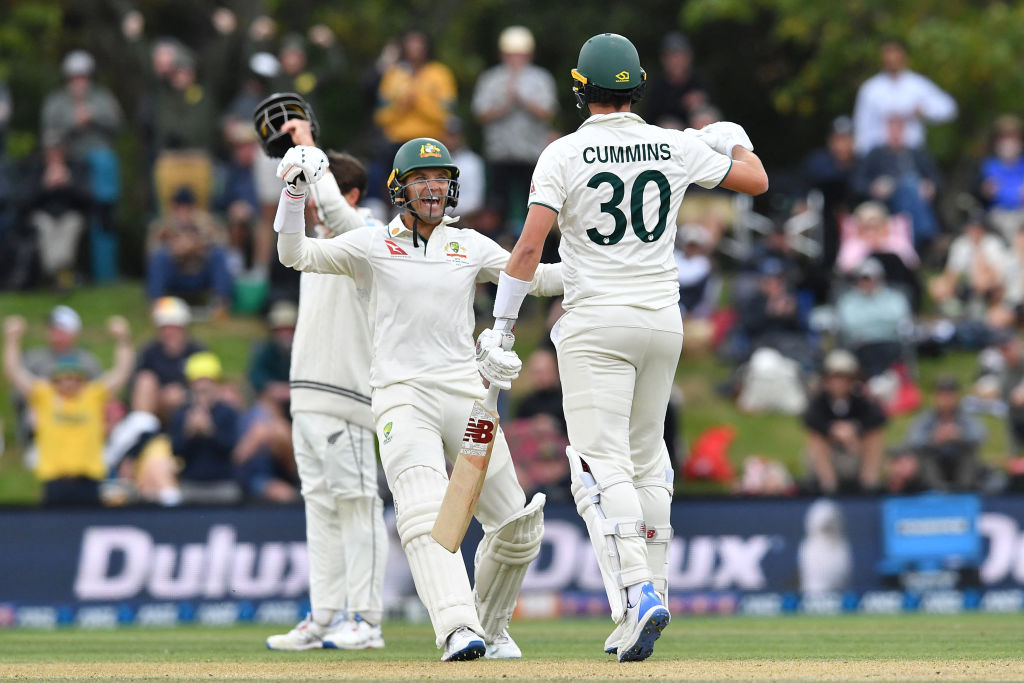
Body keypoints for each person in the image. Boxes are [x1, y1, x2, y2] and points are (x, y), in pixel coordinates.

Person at [477, 33, 768, 662]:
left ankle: (636, 592)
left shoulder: (561, 152)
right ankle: (652, 590)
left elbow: (528, 250)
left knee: (596, 460)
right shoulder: (674, 144)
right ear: (636, 85)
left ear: (581, 89)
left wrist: (500, 326)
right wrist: (732, 134)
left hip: (596, 320)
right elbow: (756, 179)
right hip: (664, 321)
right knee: (647, 460)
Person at [275, 136, 562, 660]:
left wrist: (618, 269)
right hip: (402, 397)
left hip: (467, 397)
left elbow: (538, 278)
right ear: (400, 188)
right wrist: (294, 193)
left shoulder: (469, 244)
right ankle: (456, 628)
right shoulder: (369, 244)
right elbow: (294, 254)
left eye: (440, 179)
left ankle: (491, 630)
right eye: (421, 179)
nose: (433, 188)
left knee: (517, 527)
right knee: (424, 510)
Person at [262, 116, 389, 651]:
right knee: (321, 509)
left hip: (349, 401)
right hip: (307, 398)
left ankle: (366, 619)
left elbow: (336, 211)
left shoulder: (372, 236)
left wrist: (309, 146)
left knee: (358, 505)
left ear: (350, 191)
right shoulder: (315, 243)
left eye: (318, 188)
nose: (313, 201)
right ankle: (324, 616)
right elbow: (291, 229)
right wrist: (294, 170)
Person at [3, 313, 134, 506]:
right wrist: (12, 339)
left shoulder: (92, 395)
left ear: (81, 379)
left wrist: (123, 339)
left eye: (73, 378)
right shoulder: (45, 395)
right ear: (55, 380)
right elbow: (14, 371)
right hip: (55, 480)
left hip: (89, 479)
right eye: (63, 378)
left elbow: (121, 372)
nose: (68, 383)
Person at [471, 26, 557, 238]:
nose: (516, 59)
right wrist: (506, 103)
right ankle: (499, 247)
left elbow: (548, 112)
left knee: (536, 204)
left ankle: (537, 248)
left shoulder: (541, 78)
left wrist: (522, 98)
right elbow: (480, 114)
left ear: (529, 54)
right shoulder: (490, 79)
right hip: (500, 153)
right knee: (498, 207)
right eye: (511, 54)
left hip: (531, 154)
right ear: (503, 54)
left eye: (520, 54)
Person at [802, 349, 887, 494]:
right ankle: (828, 486)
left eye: (844, 378)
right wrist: (833, 430)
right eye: (835, 378)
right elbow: (809, 419)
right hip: (829, 458)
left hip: (854, 454)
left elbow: (878, 418)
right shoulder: (819, 401)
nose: (839, 383)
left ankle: (869, 484)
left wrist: (854, 429)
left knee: (875, 436)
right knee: (815, 438)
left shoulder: (861, 400)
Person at [852, 39, 957, 157]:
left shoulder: (918, 85)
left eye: (895, 53)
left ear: (904, 56)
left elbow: (949, 108)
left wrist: (925, 111)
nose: (891, 59)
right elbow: (861, 126)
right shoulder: (870, 89)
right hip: (880, 156)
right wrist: (864, 157)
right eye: (888, 54)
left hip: (912, 154)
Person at [130, 296, 206, 424]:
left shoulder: (198, 352)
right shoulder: (148, 353)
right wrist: (162, 397)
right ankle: (141, 430)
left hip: (191, 411)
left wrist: (184, 396)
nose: (169, 332)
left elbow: (209, 387)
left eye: (174, 327)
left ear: (184, 327)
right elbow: (135, 389)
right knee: (145, 380)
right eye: (165, 327)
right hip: (155, 410)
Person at [904, 376, 986, 491]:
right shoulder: (926, 417)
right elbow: (912, 440)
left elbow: (979, 436)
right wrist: (934, 438)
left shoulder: (966, 416)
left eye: (949, 395)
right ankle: (937, 491)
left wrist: (958, 435)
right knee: (924, 456)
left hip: (959, 462)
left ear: (957, 396)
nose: (945, 399)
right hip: (935, 462)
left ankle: (964, 490)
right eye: (941, 395)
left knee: (970, 455)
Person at [642, 32, 712, 130]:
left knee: (704, 119)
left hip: (694, 126)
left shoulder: (699, 78)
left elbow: (709, 105)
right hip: (671, 130)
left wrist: (698, 102)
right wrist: (683, 103)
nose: (676, 61)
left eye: (679, 56)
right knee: (669, 127)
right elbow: (653, 116)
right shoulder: (658, 84)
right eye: (672, 56)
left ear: (689, 57)